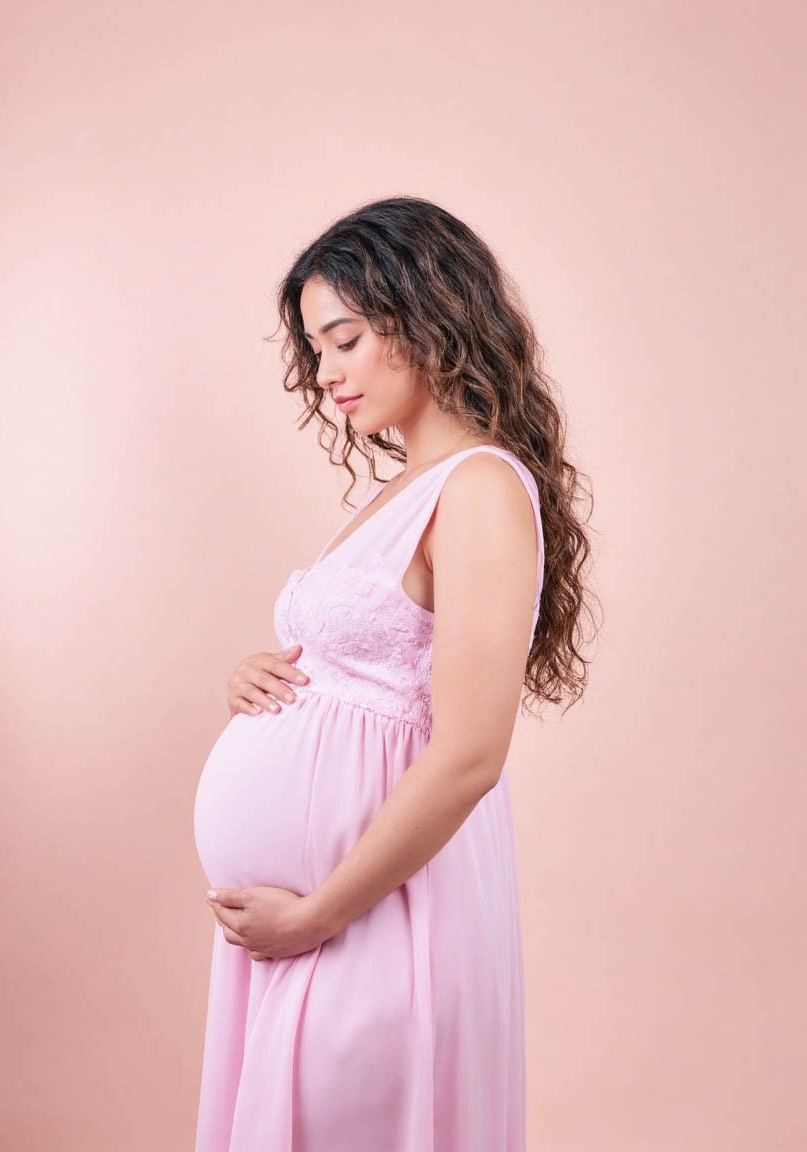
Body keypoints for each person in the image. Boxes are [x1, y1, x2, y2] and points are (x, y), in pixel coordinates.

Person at [192, 195, 597, 1151]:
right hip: (305, 924)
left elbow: (468, 755)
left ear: (428, 317)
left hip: (374, 913)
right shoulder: (402, 490)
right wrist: (265, 683)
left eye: (344, 340)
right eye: (314, 351)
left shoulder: (484, 489)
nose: (326, 374)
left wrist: (318, 916)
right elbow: (366, 664)